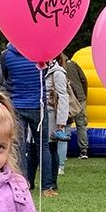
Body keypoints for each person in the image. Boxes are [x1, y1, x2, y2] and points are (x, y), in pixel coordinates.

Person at [0, 43, 57, 197]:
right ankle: (47, 186)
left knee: (20, 147)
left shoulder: (6, 55)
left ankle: (22, 183)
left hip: (17, 105)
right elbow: (45, 72)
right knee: (43, 146)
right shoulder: (39, 53)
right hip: (38, 105)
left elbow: (6, 77)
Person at [46, 54, 69, 182]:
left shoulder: (58, 73)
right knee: (37, 148)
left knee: (51, 147)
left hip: (52, 115)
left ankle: (52, 180)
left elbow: (63, 98)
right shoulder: (43, 69)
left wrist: (61, 123)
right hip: (43, 113)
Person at [65, 53, 89, 159]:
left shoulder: (56, 67)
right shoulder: (74, 64)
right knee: (81, 124)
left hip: (67, 99)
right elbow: (84, 80)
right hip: (79, 98)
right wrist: (83, 95)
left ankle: (63, 151)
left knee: (65, 125)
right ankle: (83, 150)